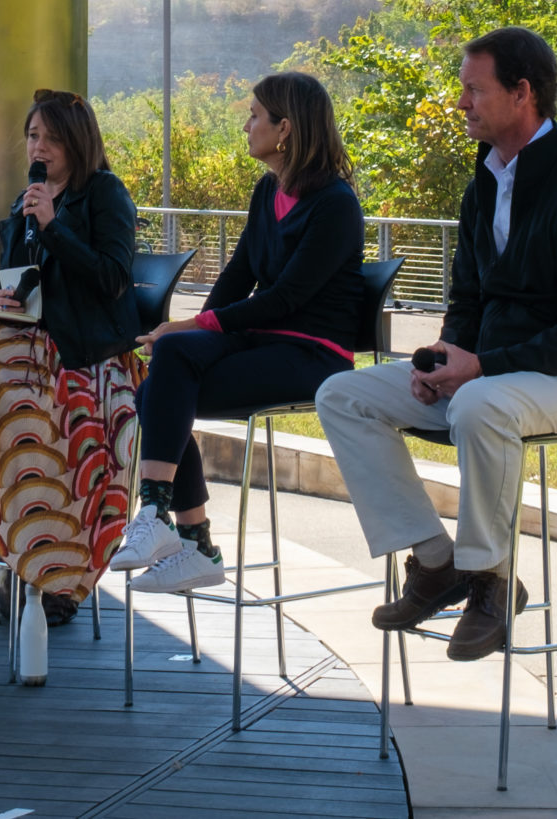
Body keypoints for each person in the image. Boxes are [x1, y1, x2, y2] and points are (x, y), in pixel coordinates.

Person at [316, 26, 557, 662]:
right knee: (343, 393)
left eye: (474, 90)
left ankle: (492, 580)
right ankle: (438, 563)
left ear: (522, 94)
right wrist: (443, 359)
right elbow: (467, 299)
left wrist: (482, 367)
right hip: (490, 380)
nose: (461, 103)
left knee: (478, 406)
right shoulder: (484, 183)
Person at [110, 70, 368, 596]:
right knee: (161, 380)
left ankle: (173, 524)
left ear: (286, 128)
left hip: (313, 355)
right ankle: (189, 539)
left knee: (156, 390)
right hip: (265, 340)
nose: (247, 126)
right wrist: (187, 337)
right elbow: (237, 279)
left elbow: (287, 298)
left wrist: (190, 326)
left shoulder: (336, 204)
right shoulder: (267, 190)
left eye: (255, 116)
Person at [0, 89, 140, 679]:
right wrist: (1, 295)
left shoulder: (105, 195)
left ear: (75, 143)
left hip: (89, 354)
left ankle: (5, 532)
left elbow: (113, 279)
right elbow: (18, 276)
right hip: (34, 339)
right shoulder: (27, 202)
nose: (37, 148)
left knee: (23, 406)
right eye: (32, 137)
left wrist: (56, 225)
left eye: (49, 138)